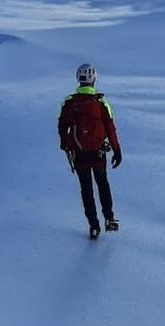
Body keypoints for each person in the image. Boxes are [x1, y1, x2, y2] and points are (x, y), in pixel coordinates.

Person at [58, 63, 123, 240]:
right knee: (102, 184)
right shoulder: (101, 102)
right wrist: (117, 150)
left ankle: (94, 226)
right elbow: (110, 128)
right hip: (98, 153)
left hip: (79, 155)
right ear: (94, 80)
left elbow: (62, 126)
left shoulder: (70, 102)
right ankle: (109, 218)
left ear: (79, 80)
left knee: (86, 189)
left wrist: (66, 145)